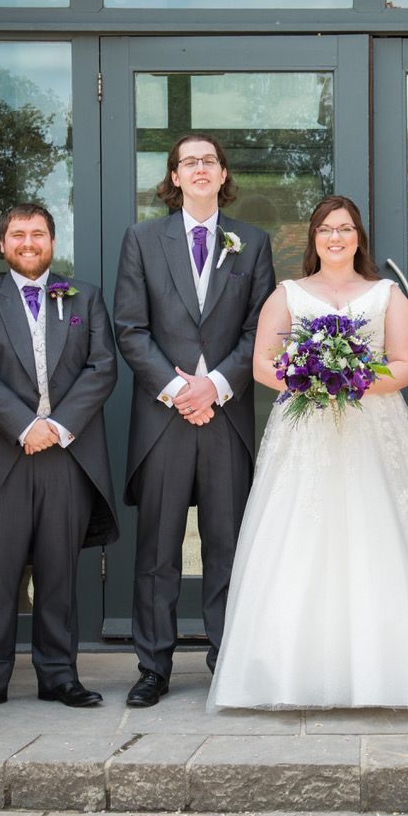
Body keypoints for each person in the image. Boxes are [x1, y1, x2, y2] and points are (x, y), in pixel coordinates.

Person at [207, 195, 408, 710]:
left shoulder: (386, 295)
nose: (335, 238)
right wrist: (311, 378)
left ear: (359, 236)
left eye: (344, 228)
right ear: (314, 240)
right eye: (325, 230)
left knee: (376, 537)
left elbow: (404, 367)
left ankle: (392, 675)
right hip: (305, 436)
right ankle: (295, 676)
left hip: (373, 429)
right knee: (301, 541)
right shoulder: (287, 295)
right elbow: (264, 366)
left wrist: (351, 381)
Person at [114, 134, 276, 707]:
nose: (201, 169)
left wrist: (218, 386)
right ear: (175, 177)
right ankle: (152, 665)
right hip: (165, 417)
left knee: (226, 544)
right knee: (156, 548)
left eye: (210, 161)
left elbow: (261, 330)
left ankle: (225, 658)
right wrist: (182, 389)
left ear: (223, 173)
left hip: (226, 414)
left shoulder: (252, 243)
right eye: (190, 162)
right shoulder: (141, 239)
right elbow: (130, 329)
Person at [0, 204, 118, 716]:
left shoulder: (86, 296)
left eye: (37, 234)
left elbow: (101, 368)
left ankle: (60, 675)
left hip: (67, 452)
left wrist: (58, 427)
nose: (28, 242)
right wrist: (26, 426)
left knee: (59, 569)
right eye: (18, 234)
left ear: (52, 241)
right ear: (2, 245)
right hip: (5, 453)